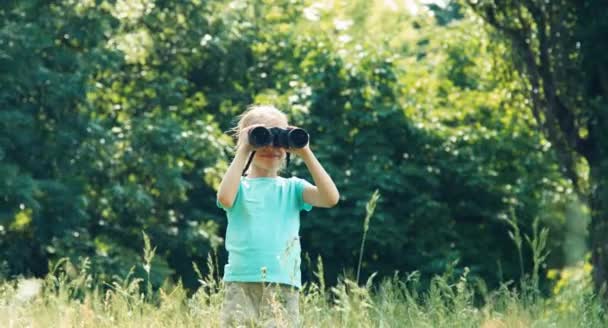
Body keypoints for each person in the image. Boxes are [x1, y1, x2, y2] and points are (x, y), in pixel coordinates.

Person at [216, 105, 339, 327]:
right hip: (241, 282)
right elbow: (225, 198)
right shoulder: (239, 187)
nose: (271, 146)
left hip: (283, 283)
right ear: (246, 140)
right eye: (263, 136)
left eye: (279, 138)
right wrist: (243, 150)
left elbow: (330, 198)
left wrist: (305, 151)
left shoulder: (293, 188)